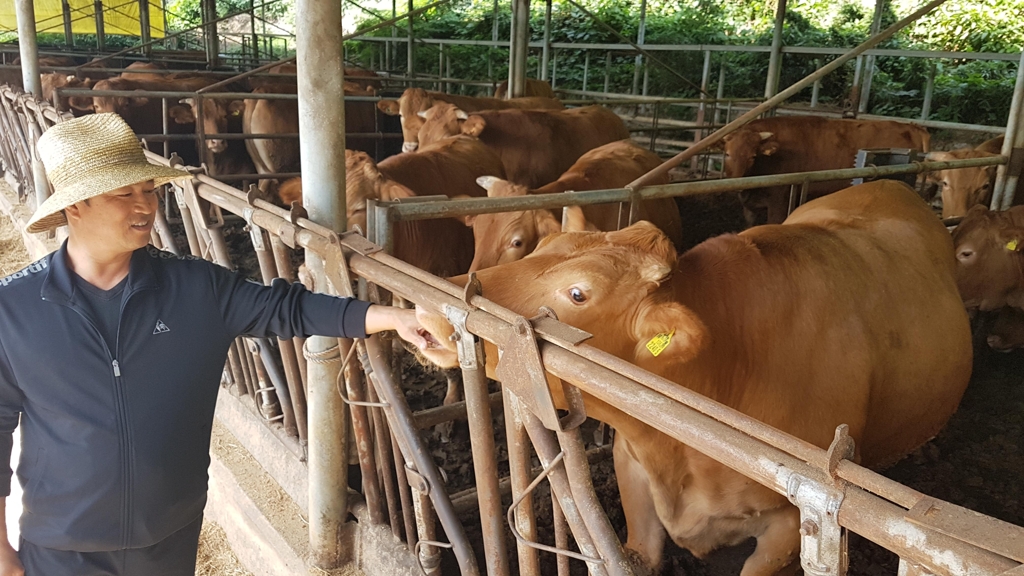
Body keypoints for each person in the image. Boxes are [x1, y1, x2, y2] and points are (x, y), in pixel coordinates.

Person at [0, 113, 426, 575]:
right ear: (75, 207)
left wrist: (393, 317)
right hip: (62, 549)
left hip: (169, 541)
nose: (146, 205)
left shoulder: (195, 288)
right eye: (124, 193)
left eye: (150, 189)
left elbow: (287, 308)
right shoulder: (13, 310)